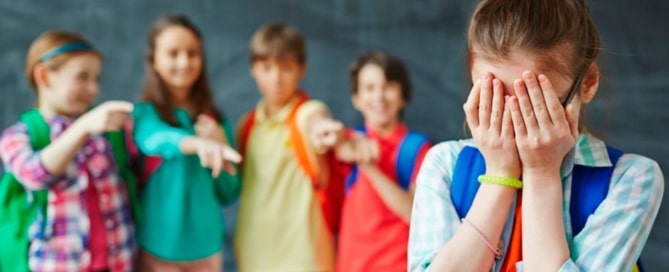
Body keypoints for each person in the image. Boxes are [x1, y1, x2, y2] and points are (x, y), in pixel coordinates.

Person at [407, 0, 664, 271]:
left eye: (536, 106)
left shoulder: (630, 179)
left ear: (587, 83)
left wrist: (542, 173)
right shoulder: (445, 165)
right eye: (494, 101)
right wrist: (499, 175)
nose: (517, 127)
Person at [0, 30, 136, 272]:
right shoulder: (18, 137)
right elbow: (35, 175)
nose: (93, 88)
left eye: (97, 78)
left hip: (117, 262)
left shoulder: (106, 131)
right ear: (44, 76)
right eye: (82, 77)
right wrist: (82, 127)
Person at [132, 14, 241, 272]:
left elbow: (229, 192)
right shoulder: (145, 115)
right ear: (154, 61)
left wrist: (220, 144)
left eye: (192, 54)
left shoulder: (215, 121)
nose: (184, 62)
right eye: (173, 53)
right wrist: (197, 144)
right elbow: (156, 140)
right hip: (158, 250)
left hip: (208, 250)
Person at [234, 23, 346, 272]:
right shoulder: (247, 125)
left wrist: (322, 131)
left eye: (286, 68)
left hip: (305, 256)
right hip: (252, 253)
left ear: (301, 69)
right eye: (266, 68)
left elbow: (316, 119)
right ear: (253, 69)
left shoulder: (306, 113)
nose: (276, 78)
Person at [336, 51, 430, 272]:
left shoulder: (418, 149)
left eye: (388, 86)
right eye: (369, 88)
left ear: (403, 96)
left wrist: (368, 165)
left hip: (397, 265)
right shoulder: (347, 141)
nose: (379, 96)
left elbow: (413, 214)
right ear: (356, 99)